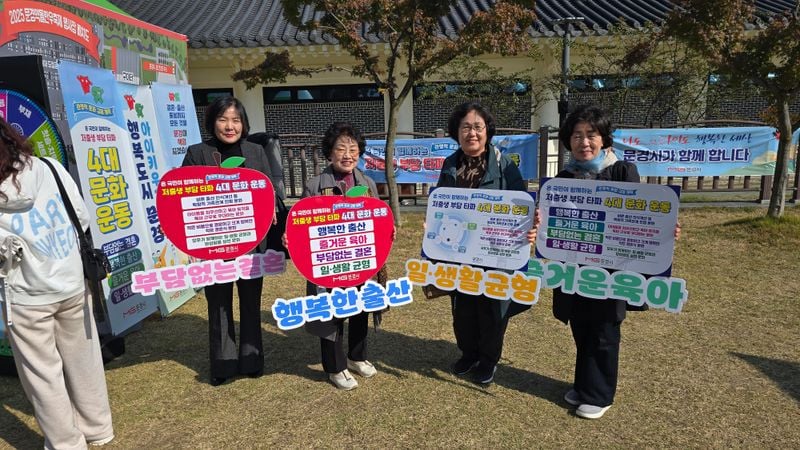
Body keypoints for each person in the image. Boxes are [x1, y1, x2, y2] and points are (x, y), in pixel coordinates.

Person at [529, 104, 681, 419]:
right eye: (577, 135)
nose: (584, 142)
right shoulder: (563, 177)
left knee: (603, 331)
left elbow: (644, 215)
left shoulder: (622, 171)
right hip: (574, 267)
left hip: (611, 269)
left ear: (604, 139)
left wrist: (664, 227)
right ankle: (584, 386)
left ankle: (600, 395)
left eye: (591, 135)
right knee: (580, 326)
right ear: (569, 142)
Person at [0, 116, 114, 447]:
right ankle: (98, 429)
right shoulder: (49, 168)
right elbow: (80, 216)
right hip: (70, 280)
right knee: (85, 361)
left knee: (43, 376)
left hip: (26, 293)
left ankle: (66, 443)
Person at [182, 96, 279, 386]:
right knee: (219, 304)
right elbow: (182, 196)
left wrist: (272, 204)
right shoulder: (198, 153)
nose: (229, 126)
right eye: (223, 119)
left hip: (250, 243)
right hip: (213, 245)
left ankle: (252, 358)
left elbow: (267, 188)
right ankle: (223, 364)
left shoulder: (255, 151)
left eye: (236, 120)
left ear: (244, 123)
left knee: (251, 301)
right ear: (213, 122)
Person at [436, 101, 529, 386]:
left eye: (478, 127)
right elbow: (440, 203)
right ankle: (468, 353)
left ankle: (488, 360)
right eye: (466, 127)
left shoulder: (503, 166)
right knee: (462, 307)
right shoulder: (450, 165)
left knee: (492, 308)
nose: (472, 133)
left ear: (488, 131)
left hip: (495, 253)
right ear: (457, 132)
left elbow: (522, 205)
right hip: (459, 252)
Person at [300, 121, 385, 390]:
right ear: (329, 152)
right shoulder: (315, 185)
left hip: (361, 258)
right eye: (341, 148)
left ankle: (356, 356)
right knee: (331, 313)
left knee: (361, 308)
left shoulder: (367, 182)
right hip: (328, 264)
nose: (348, 155)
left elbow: (378, 219)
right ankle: (335, 367)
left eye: (353, 149)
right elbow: (302, 225)